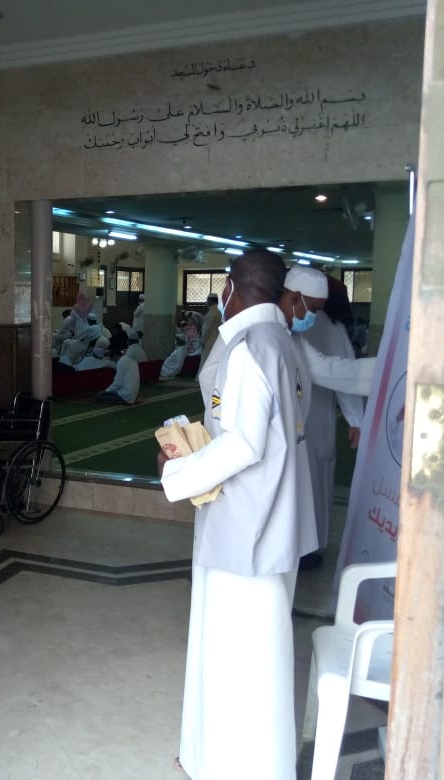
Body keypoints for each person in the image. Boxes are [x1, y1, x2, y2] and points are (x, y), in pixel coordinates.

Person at [159, 249, 315, 780]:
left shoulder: (250, 348)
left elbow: (244, 443)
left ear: (230, 288)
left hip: (246, 527)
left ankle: (230, 766)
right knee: (260, 655)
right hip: (272, 521)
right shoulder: (285, 344)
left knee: (235, 657)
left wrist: (178, 471)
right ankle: (224, 760)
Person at [278, 267, 365, 569]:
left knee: (313, 481)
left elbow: (338, 373)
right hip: (284, 425)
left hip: (314, 417)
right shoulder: (272, 330)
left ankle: (308, 546)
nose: (312, 317)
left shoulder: (320, 328)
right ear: (294, 298)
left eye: (317, 309)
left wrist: (356, 419)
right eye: (311, 308)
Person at [197, 292, 222, 373]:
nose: (206, 302)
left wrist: (202, 341)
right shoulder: (218, 312)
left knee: (205, 360)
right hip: (216, 339)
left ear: (211, 301)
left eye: (207, 300)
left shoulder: (211, 313)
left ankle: (201, 378)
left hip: (209, 340)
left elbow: (206, 329)